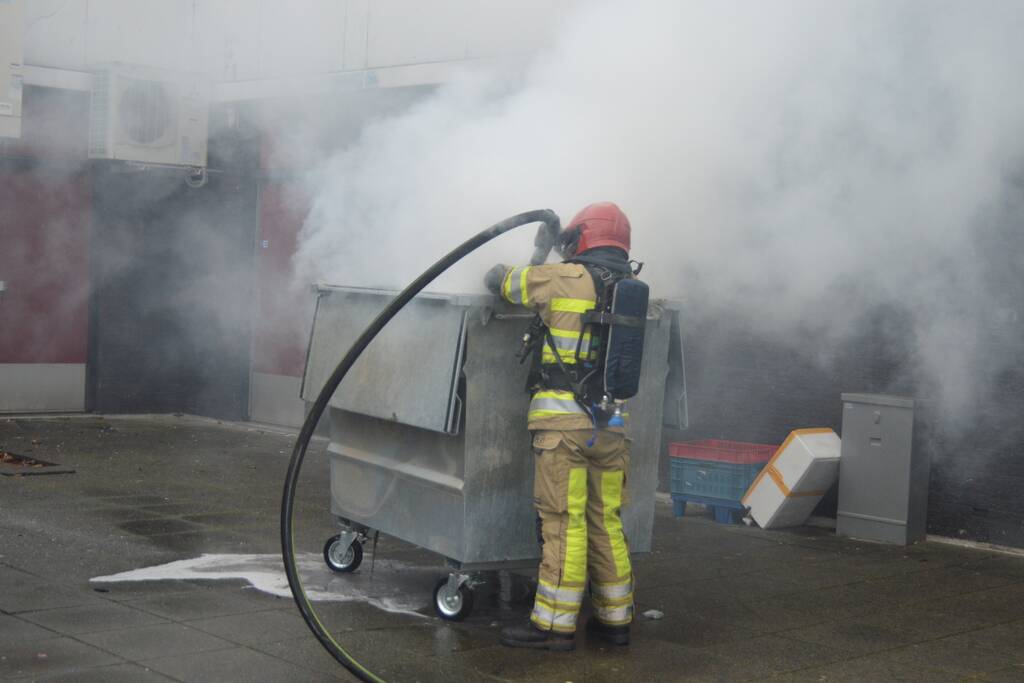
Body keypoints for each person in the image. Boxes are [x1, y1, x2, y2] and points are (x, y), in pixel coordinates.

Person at [484, 202, 638, 651]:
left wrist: (520, 261)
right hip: (611, 427)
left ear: (583, 237)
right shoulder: (630, 288)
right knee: (605, 521)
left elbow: (503, 282)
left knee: (563, 521)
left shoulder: (564, 277)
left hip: (563, 429)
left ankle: (553, 625)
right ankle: (615, 620)